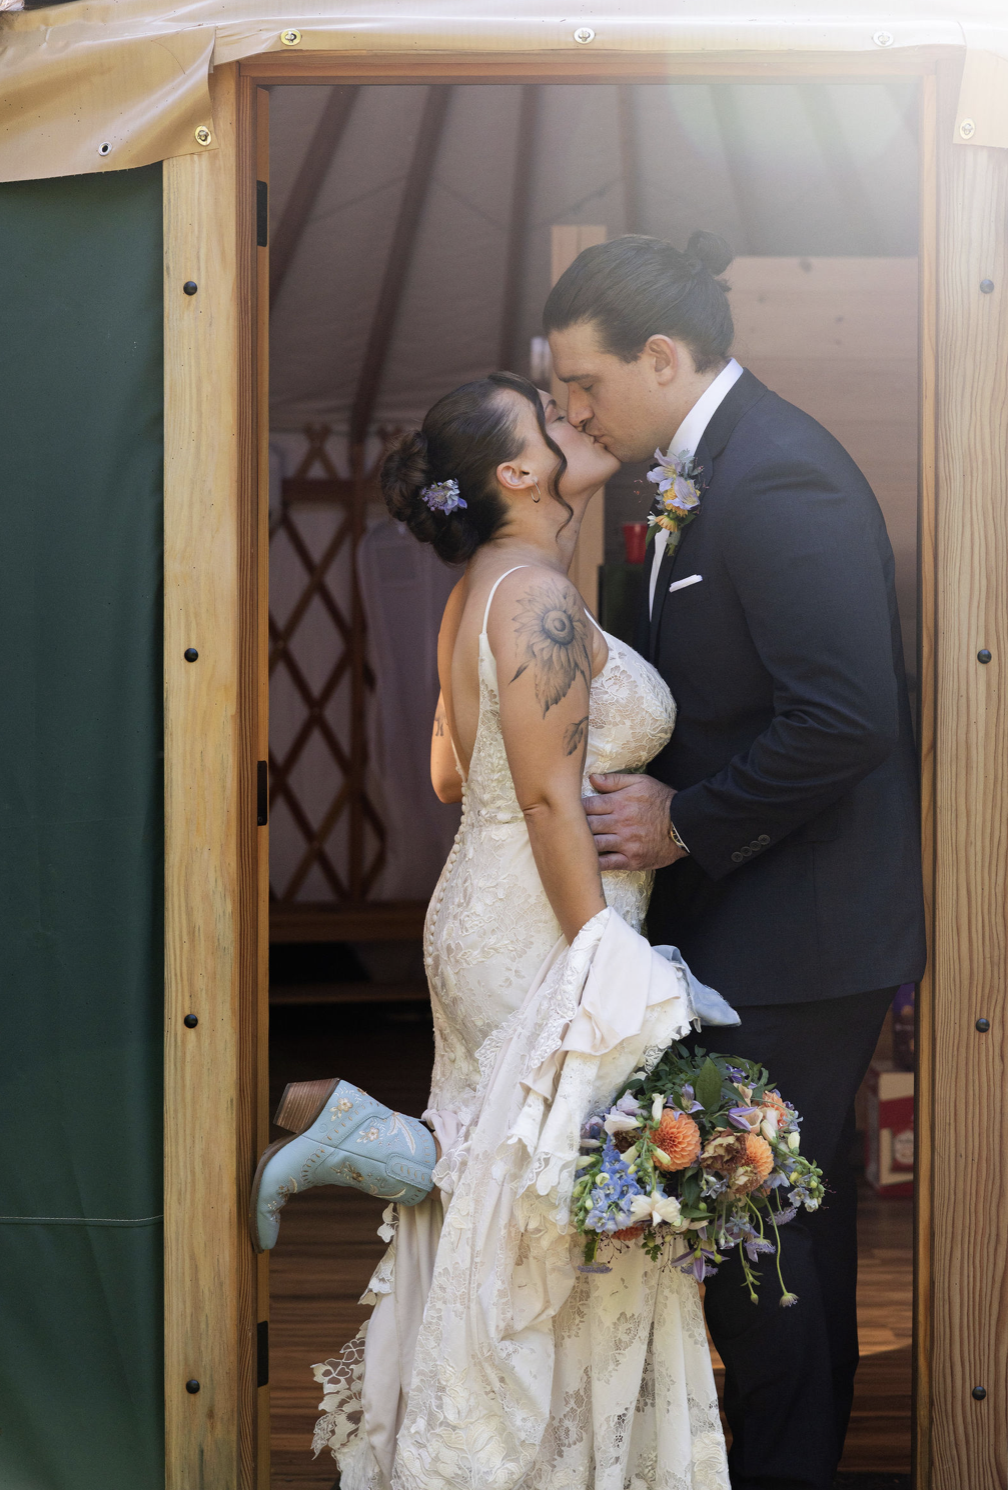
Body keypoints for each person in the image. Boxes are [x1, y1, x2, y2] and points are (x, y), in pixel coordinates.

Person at [251, 369, 737, 1490]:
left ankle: (356, 1130)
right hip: (544, 923)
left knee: (505, 1187)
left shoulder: (490, 585)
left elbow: (446, 770)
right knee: (545, 1219)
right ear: (517, 470)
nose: (574, 418)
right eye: (549, 416)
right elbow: (549, 798)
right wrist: (601, 954)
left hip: (489, 909)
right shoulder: (537, 599)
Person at [543, 232, 927, 1490]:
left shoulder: (779, 477)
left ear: (662, 356)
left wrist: (685, 822)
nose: (571, 411)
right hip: (758, 922)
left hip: (802, 928)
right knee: (771, 1226)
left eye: (584, 383)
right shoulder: (704, 469)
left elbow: (846, 717)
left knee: (753, 1229)